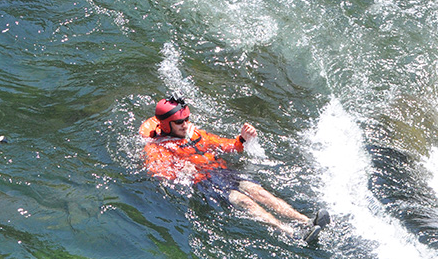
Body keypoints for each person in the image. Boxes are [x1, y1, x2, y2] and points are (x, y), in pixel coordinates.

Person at [140, 93, 330, 244]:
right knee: (244, 201)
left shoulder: (195, 134)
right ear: (166, 124)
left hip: (222, 171)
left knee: (258, 191)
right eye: (180, 122)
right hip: (205, 182)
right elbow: (160, 173)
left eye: (187, 119)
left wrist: (242, 139)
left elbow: (224, 145)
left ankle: (306, 221)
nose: (185, 124)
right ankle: (292, 234)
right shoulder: (157, 148)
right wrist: (182, 170)